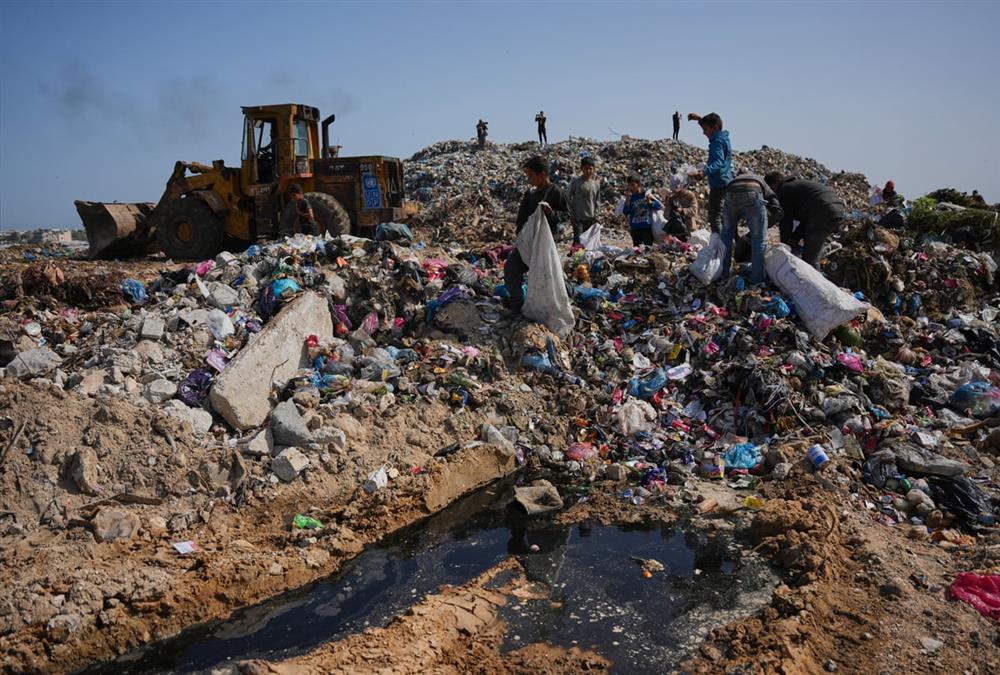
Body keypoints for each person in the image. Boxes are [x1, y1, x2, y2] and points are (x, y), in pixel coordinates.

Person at [504, 156, 568, 314]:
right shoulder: (530, 194)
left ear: (542, 174)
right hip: (527, 243)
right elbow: (521, 218)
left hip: (545, 245)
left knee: (547, 278)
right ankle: (516, 306)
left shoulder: (555, 192)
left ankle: (550, 308)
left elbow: (565, 217)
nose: (528, 179)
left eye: (530, 176)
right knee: (511, 268)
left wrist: (551, 213)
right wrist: (520, 235)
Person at [765, 172, 845, 270]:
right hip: (836, 210)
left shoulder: (784, 190)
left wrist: (784, 246)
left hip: (823, 212)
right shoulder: (796, 186)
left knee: (810, 259)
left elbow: (786, 221)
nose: (772, 194)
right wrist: (795, 237)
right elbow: (806, 219)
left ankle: (814, 283)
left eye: (770, 189)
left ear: (775, 183)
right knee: (814, 249)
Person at [720, 173, 783, 285]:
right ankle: (757, 280)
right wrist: (770, 218)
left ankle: (723, 274)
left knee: (725, 237)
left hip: (730, 193)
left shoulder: (739, 178)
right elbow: (776, 205)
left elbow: (731, 226)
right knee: (759, 241)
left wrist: (736, 237)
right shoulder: (763, 183)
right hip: (753, 193)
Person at [687, 112, 733, 234]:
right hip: (727, 181)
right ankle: (732, 243)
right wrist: (699, 119)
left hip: (719, 183)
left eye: (706, 129)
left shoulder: (716, 142)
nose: (704, 133)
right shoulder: (723, 138)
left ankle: (719, 245)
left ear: (715, 128)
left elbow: (718, 161)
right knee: (727, 217)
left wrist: (703, 172)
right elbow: (712, 122)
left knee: (715, 217)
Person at [618, 175, 663, 247]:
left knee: (648, 249)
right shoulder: (631, 198)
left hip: (646, 227)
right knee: (637, 250)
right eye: (629, 186)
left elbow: (658, 206)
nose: (631, 188)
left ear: (638, 184)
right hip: (635, 228)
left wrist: (650, 202)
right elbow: (625, 212)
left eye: (633, 185)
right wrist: (627, 198)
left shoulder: (646, 195)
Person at [566, 156, 600, 246]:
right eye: (586, 168)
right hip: (578, 220)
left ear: (594, 169)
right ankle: (575, 259)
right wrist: (572, 216)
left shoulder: (595, 184)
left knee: (589, 244)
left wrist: (596, 215)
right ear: (581, 169)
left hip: (591, 219)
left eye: (590, 169)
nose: (588, 171)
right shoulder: (576, 183)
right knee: (578, 243)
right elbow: (568, 198)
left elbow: (597, 201)